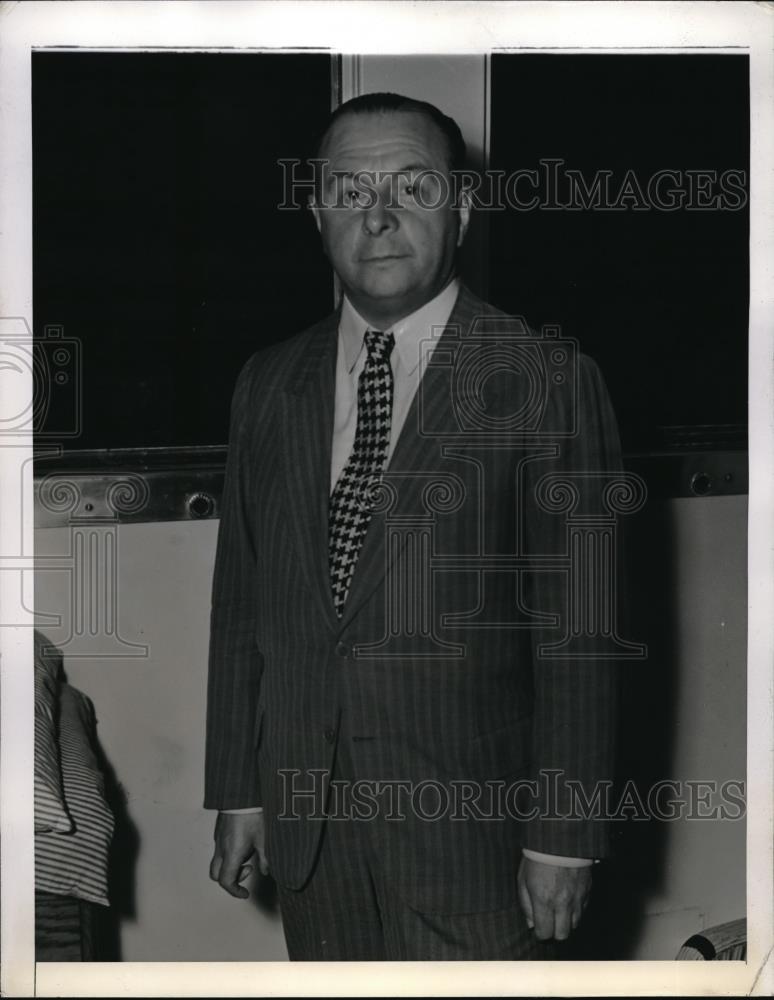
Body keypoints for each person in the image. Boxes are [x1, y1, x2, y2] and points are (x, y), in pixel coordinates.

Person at [204, 92, 622, 961]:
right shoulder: (267, 383)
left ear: (463, 209)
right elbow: (243, 607)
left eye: (414, 187)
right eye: (351, 190)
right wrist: (240, 791)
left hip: (474, 844)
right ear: (319, 215)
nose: (381, 215)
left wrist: (564, 836)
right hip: (313, 836)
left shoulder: (547, 379)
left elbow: (583, 638)